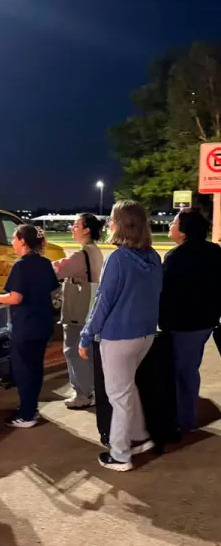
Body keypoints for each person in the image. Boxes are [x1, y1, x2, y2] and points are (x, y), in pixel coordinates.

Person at [79, 200, 162, 472]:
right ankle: (140, 437)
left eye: (113, 220)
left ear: (122, 225)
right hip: (145, 335)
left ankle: (120, 455)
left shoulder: (118, 259)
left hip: (119, 337)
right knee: (127, 389)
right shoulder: (153, 257)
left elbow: (102, 302)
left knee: (118, 396)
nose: (109, 224)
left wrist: (86, 335)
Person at [0, 225, 59, 428]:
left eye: (14, 238)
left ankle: (26, 415)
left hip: (25, 327)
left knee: (24, 372)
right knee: (35, 369)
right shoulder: (45, 263)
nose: (12, 242)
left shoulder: (21, 266)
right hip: (42, 325)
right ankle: (30, 406)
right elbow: (52, 291)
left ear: (23, 241)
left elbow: (16, 298)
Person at [159, 207, 221, 437]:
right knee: (188, 368)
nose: (170, 225)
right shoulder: (214, 251)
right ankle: (185, 417)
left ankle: (185, 421)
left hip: (183, 324)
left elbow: (165, 292)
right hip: (206, 322)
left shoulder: (176, 257)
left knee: (183, 373)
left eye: (174, 222)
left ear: (184, 230)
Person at [53, 214, 104, 409]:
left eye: (76, 226)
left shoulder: (81, 255)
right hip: (91, 307)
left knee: (73, 351)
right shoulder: (95, 251)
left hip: (78, 311)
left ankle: (83, 394)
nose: (72, 229)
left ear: (87, 230)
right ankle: (92, 389)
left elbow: (57, 271)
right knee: (87, 351)